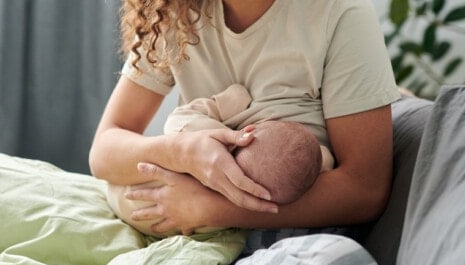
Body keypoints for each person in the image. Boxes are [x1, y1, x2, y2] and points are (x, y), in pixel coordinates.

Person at [88, 0, 400, 265]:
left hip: (296, 227)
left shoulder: (338, 12)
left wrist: (211, 208)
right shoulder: (180, 10)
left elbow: (365, 189)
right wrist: (183, 152)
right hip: (192, 210)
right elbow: (105, 150)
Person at [106, 84, 331, 236]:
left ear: (248, 130)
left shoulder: (206, 134)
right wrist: (320, 162)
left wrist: (229, 100)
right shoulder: (232, 216)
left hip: (126, 191)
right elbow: (320, 161)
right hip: (162, 224)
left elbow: (178, 119)